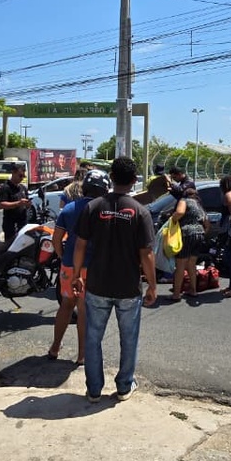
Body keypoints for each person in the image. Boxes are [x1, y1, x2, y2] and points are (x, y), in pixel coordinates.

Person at [72, 157, 157, 402]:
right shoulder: (140, 212)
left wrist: (77, 275)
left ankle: (94, 390)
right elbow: (146, 254)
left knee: (92, 337)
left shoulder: (93, 206)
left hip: (97, 284)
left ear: (111, 176)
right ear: (133, 181)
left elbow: (79, 245)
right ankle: (123, 387)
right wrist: (152, 285)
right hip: (128, 287)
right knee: (129, 338)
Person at [47, 170, 111, 365]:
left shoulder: (69, 208)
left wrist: (62, 256)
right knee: (84, 311)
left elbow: (56, 239)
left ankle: (55, 348)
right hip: (92, 269)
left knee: (66, 306)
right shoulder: (105, 211)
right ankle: (82, 355)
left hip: (69, 267)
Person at [170, 187, 211, 301]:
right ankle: (193, 290)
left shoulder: (184, 201)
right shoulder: (199, 205)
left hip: (187, 234)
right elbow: (207, 224)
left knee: (180, 265)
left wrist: (172, 220)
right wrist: (201, 233)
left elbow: (179, 212)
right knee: (191, 264)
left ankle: (176, 294)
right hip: (199, 234)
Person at [0, 164, 31, 241]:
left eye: (23, 176)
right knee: (11, 245)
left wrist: (28, 204)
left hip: (22, 222)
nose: (22, 178)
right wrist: (18, 203)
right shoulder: (5, 188)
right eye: (20, 176)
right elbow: (1, 205)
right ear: (13, 173)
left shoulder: (23, 188)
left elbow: (26, 203)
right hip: (10, 223)